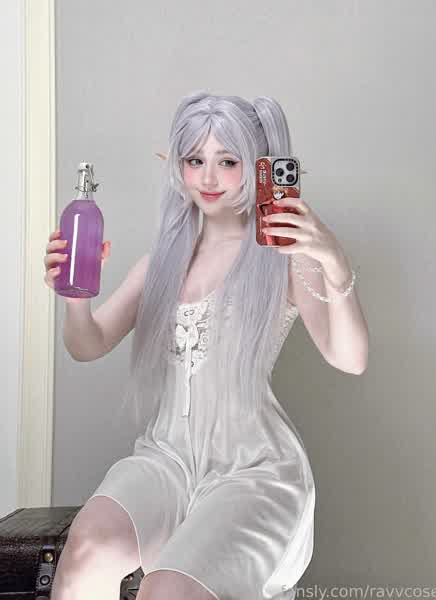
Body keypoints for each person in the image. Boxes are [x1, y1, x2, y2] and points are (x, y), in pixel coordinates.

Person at [44, 91, 368, 600]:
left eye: (228, 162)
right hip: (166, 457)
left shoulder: (283, 258)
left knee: (167, 591)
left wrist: (334, 263)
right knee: (85, 551)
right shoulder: (160, 264)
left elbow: (350, 360)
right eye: (195, 160)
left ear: (257, 166)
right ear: (177, 165)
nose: (209, 178)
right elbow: (88, 345)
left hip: (252, 466)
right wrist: (74, 297)